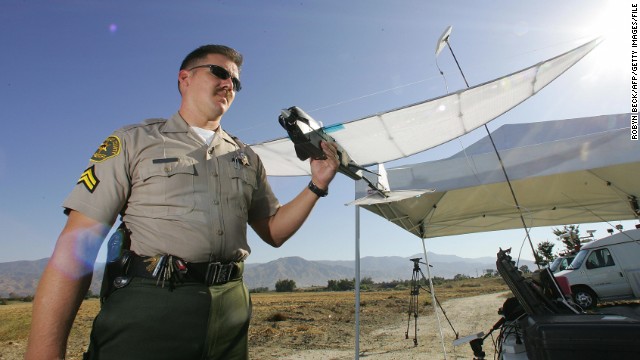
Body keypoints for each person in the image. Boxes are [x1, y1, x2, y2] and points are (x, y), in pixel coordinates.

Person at [25, 44, 339, 360]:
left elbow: (274, 231)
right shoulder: (134, 141)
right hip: (152, 309)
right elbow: (75, 249)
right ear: (184, 78)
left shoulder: (247, 158)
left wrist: (317, 184)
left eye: (236, 82)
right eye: (219, 72)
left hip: (231, 311)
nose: (229, 84)